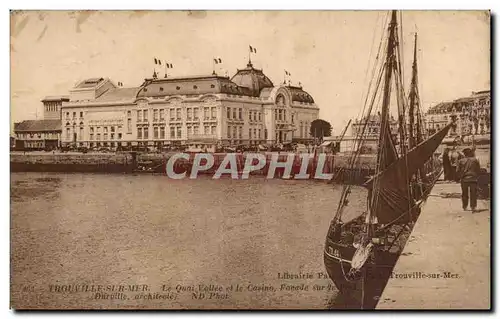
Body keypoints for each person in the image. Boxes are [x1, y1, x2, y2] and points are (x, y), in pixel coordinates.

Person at [456, 148, 481, 212]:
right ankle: (473, 207)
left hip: (464, 179)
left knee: (464, 193)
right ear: (470, 153)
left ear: (464, 154)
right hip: (473, 179)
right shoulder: (475, 160)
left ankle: (465, 206)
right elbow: (478, 169)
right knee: (473, 193)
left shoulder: (460, 161)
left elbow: (457, 171)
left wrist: (459, 177)